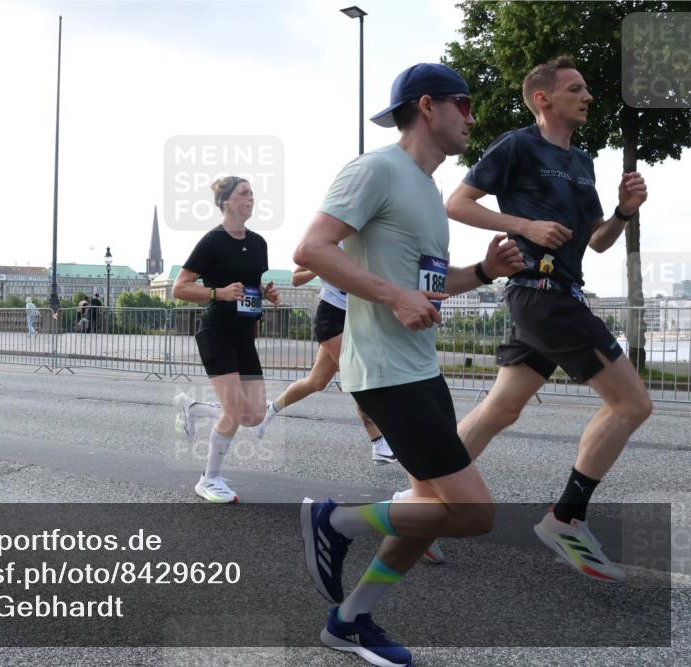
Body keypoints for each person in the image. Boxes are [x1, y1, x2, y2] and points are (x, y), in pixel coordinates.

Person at [294, 63, 524, 666]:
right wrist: (393, 297)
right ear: (428, 106)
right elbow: (311, 249)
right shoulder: (377, 168)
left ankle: (349, 620)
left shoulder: (425, 190)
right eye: (465, 104)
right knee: (473, 513)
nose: (473, 117)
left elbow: (427, 280)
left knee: (423, 513)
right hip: (385, 371)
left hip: (420, 367)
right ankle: (336, 520)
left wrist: (484, 272)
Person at [445, 55, 651, 583]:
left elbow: (597, 242)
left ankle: (419, 499)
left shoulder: (583, 163)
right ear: (544, 99)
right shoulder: (518, 145)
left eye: (586, 89)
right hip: (539, 293)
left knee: (500, 410)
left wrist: (625, 211)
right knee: (632, 404)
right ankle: (566, 517)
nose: (587, 97)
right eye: (575, 89)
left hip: (560, 292)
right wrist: (526, 227)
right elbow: (458, 203)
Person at [172, 176, 279, 504]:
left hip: (244, 335)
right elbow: (179, 287)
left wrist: (265, 295)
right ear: (226, 203)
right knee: (233, 411)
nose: (251, 198)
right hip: (216, 331)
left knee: (255, 415)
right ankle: (209, 479)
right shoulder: (212, 241)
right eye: (244, 193)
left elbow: (251, 287)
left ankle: (192, 408)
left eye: (252, 193)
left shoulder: (259, 243)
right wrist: (217, 292)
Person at [253, 259, 398, 466]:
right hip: (331, 320)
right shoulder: (329, 241)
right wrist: (318, 266)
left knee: (317, 381)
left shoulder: (362, 242)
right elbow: (296, 279)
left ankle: (271, 409)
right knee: (359, 376)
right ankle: (378, 442)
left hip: (356, 320)